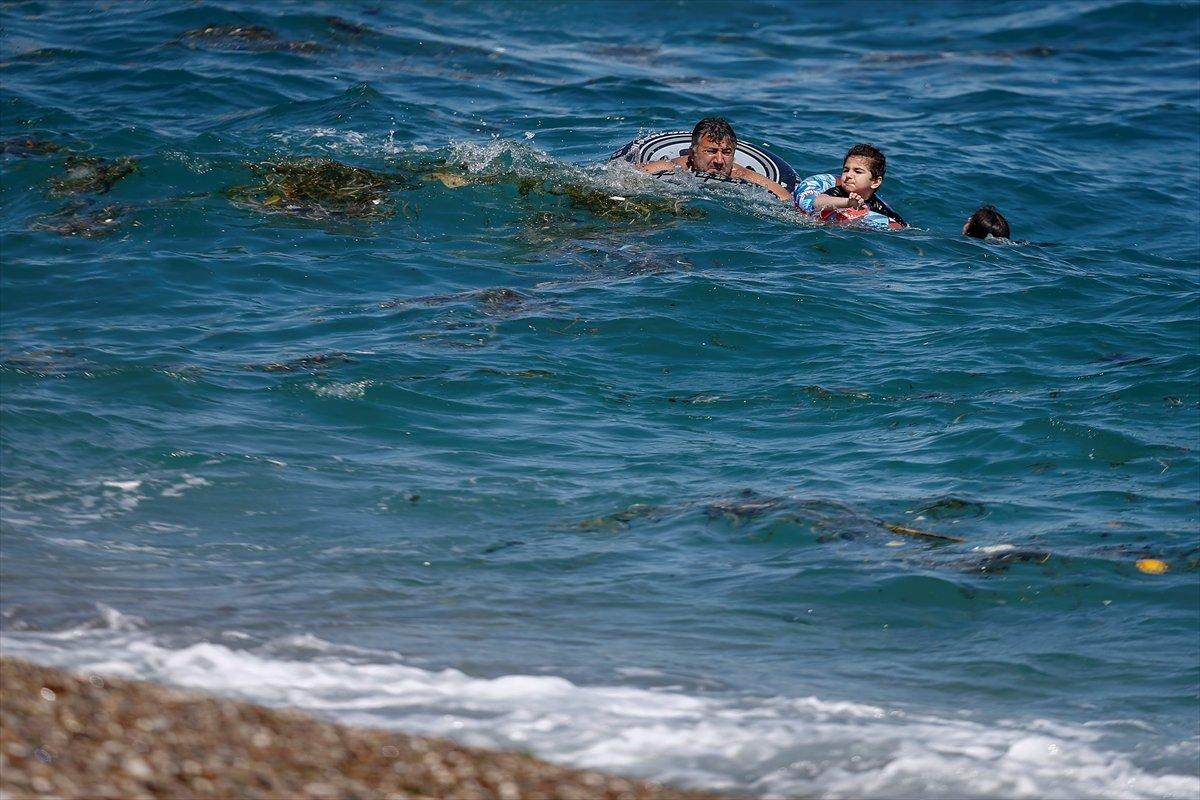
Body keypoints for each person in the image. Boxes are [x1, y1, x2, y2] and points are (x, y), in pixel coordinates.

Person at [637, 117, 792, 203]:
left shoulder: (741, 175)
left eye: (726, 152)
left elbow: (786, 199)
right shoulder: (672, 167)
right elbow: (624, 177)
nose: (719, 160)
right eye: (711, 151)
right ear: (693, 152)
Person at [794, 143, 907, 230]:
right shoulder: (838, 192)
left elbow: (901, 226)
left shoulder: (878, 206)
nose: (848, 175)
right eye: (846, 170)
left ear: (875, 182)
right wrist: (849, 203)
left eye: (857, 171)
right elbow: (817, 203)